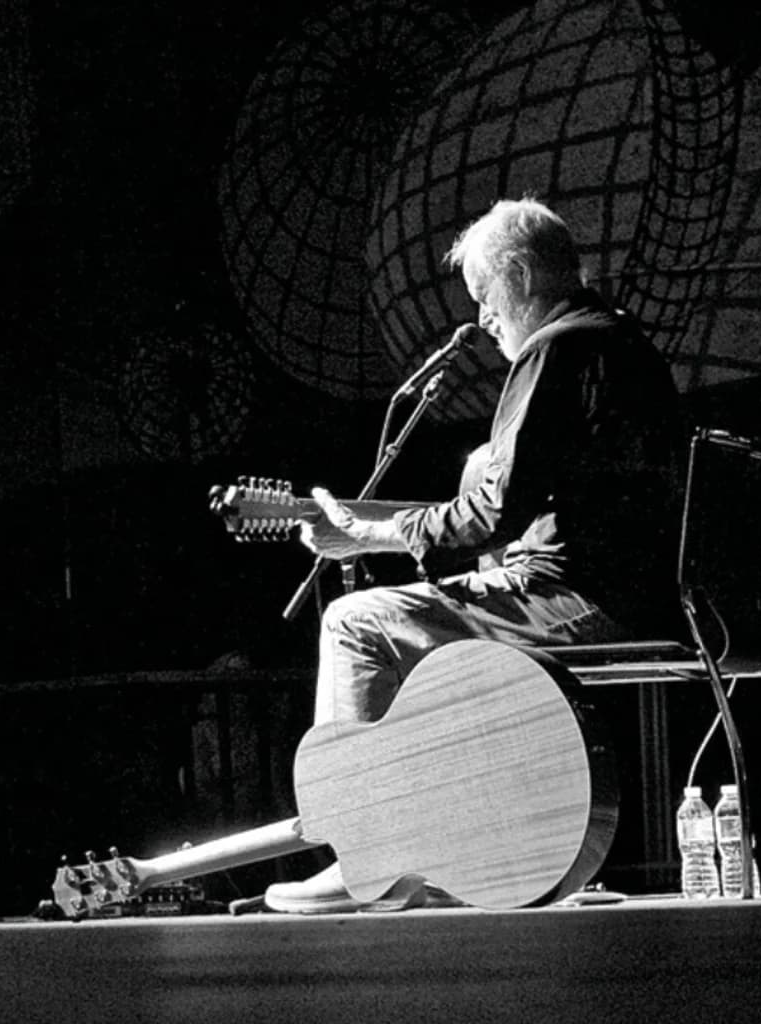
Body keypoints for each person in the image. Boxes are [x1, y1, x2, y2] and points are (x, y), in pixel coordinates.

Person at [264, 197, 687, 913]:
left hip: (584, 599)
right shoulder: (620, 341)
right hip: (646, 591)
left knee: (355, 622)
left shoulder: (556, 348)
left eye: (486, 298)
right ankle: (439, 858)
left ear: (520, 275)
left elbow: (492, 515)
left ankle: (363, 856)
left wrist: (363, 534)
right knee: (423, 637)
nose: (484, 320)